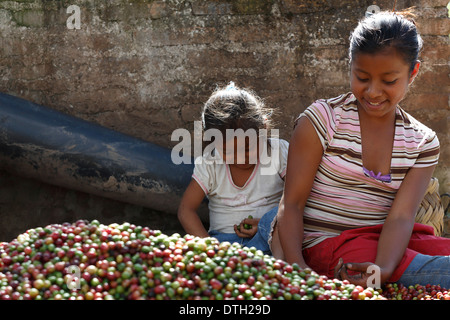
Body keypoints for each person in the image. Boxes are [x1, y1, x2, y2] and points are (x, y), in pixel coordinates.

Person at [270, 10, 450, 288]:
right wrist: (298, 269)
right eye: (362, 77)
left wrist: (384, 269)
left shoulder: (423, 142)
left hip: (385, 240)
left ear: (413, 72)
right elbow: (291, 203)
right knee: (421, 269)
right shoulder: (322, 120)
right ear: (350, 65)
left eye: (389, 81)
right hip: (327, 243)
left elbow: (401, 218)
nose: (373, 92)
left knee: (438, 248)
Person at [178, 82, 288, 255]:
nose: (242, 157)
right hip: (223, 245)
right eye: (229, 151)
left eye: (247, 147)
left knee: (281, 224)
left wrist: (267, 224)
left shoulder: (277, 152)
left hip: (270, 241)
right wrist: (210, 249)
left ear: (264, 130)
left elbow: (299, 197)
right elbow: (186, 210)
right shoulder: (210, 163)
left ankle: (280, 272)